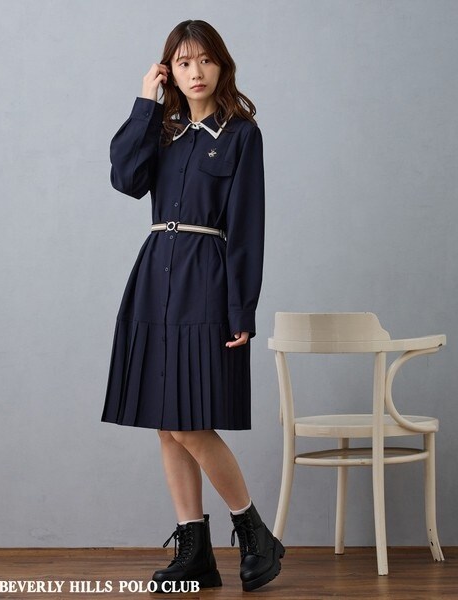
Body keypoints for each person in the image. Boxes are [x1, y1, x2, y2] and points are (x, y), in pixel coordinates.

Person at [101, 19, 284, 593]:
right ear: (169, 71)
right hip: (155, 277)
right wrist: (144, 102)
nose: (195, 71)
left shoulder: (242, 135)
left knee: (190, 420)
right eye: (182, 62)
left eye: (204, 60)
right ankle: (195, 550)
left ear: (221, 65)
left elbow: (248, 227)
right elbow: (125, 178)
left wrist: (241, 308)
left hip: (206, 278)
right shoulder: (161, 131)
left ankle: (254, 531)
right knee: (166, 423)